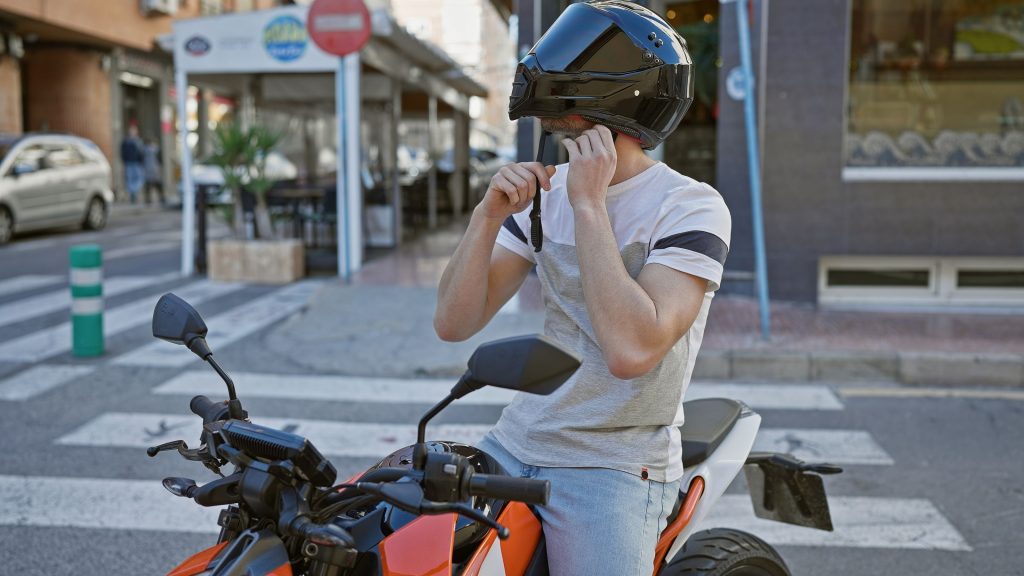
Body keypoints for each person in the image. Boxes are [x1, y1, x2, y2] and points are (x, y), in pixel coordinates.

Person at [433, 3, 731, 575]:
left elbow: (631, 351)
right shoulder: (543, 196)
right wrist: (486, 218)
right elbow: (453, 323)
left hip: (613, 462)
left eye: (559, 119)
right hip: (517, 440)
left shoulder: (689, 206)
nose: (549, 131)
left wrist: (590, 205)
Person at [120, 123, 145, 204]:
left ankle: (134, 191)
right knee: (130, 179)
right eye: (131, 130)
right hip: (129, 163)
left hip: (137, 163)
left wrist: (142, 161)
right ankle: (132, 194)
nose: (133, 132)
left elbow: (141, 152)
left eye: (134, 130)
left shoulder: (138, 141)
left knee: (139, 178)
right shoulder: (126, 141)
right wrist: (124, 161)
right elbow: (122, 152)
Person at [143, 137, 165, 206]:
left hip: (148, 169)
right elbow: (160, 160)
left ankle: (148, 199)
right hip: (155, 169)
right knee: (157, 184)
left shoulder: (144, 150)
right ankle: (161, 197)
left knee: (149, 185)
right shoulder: (156, 149)